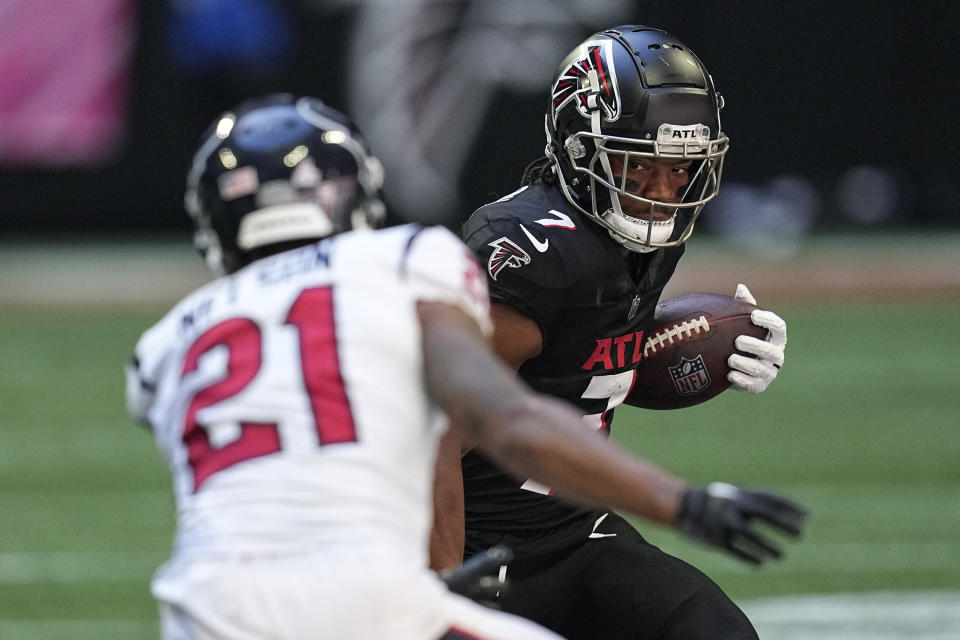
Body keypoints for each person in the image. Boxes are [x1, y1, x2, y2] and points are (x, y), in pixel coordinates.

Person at [123, 93, 797, 640]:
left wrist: (654, 348)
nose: (657, 188)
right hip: (377, 579)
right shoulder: (405, 263)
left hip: (208, 607)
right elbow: (492, 416)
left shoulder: (161, 350)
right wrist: (683, 503)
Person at [431, 25, 808, 640]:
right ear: (580, 151)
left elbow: (568, 371)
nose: (662, 194)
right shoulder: (534, 251)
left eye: (679, 169)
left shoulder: (646, 240)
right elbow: (435, 438)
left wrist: (702, 346)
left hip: (574, 532)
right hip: (477, 546)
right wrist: (439, 594)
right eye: (638, 168)